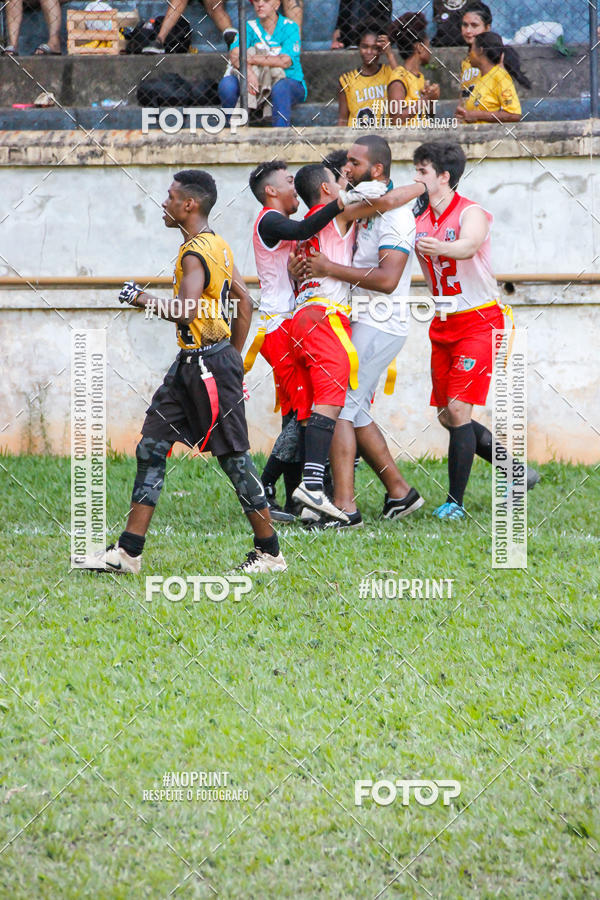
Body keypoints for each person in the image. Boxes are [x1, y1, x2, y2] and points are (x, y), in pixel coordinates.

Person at [86, 170, 287, 574]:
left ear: (189, 205)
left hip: (207, 367)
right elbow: (244, 303)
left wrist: (140, 298)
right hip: (191, 366)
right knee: (151, 447)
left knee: (233, 459)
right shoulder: (218, 246)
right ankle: (128, 553)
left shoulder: (195, 253)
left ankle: (270, 554)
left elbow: (186, 310)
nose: (165, 202)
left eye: (171, 196)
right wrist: (232, 353)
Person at [299, 136, 425, 526]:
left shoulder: (397, 216)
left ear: (377, 170)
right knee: (355, 412)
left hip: (381, 323)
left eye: (354, 162)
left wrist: (328, 269)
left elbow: (388, 279)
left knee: (339, 410)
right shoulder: (363, 205)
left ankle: (345, 508)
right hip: (361, 320)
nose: (345, 168)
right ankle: (401, 494)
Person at [412, 141, 538, 519]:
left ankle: (455, 503)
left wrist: (443, 248)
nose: (416, 178)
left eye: (422, 171)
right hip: (443, 322)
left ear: (444, 177)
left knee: (458, 408)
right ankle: (515, 471)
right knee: (448, 416)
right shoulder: (418, 218)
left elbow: (468, 246)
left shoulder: (472, 212)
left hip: (480, 320)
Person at [244, 160, 359, 520]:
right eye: (289, 183)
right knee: (304, 410)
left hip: (290, 322)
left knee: (304, 409)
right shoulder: (269, 220)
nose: (296, 189)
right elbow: (307, 225)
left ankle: (290, 490)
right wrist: (343, 201)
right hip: (277, 326)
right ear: (271, 191)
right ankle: (262, 487)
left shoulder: (283, 228)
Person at [219, 0, 306, 128]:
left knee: (281, 88)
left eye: (266, 1)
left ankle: (279, 138)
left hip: (288, 80)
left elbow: (284, 61)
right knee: (227, 85)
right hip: (254, 82)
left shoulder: (290, 27)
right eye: (256, 1)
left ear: (277, 4)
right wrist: (248, 72)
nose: (260, 4)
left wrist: (250, 59)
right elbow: (234, 55)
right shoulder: (248, 27)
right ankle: (233, 134)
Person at [456, 32, 530, 123]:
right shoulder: (478, 78)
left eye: (471, 49)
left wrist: (476, 115)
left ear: (480, 51)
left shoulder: (499, 76)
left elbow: (514, 115)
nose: (469, 54)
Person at [337, 24, 396, 127]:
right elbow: (343, 120)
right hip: (357, 138)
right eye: (364, 47)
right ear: (359, 47)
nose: (369, 52)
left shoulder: (390, 73)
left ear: (380, 50)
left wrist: (389, 53)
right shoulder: (347, 80)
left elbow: (403, 82)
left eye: (374, 48)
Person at [388, 12, 440, 126]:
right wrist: (425, 100)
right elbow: (396, 119)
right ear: (420, 47)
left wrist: (431, 101)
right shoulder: (399, 79)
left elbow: (426, 117)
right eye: (428, 45)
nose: (430, 50)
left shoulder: (419, 77)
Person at [459, 2, 492, 98]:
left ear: (487, 28)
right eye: (465, 25)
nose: (468, 31)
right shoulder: (466, 61)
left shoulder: (494, 60)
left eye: (474, 25)